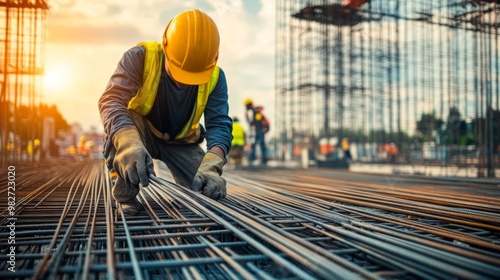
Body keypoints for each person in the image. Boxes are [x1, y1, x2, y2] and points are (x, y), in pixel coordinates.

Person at [98, 9, 232, 215]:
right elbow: (111, 101)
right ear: (165, 46)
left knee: (204, 192)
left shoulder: (216, 77)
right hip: (141, 136)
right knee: (125, 123)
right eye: (178, 71)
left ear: (214, 59)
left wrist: (213, 165)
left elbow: (219, 126)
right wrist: (127, 143)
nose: (183, 81)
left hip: (181, 142)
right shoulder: (140, 58)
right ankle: (126, 197)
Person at [244, 98, 269, 166]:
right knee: (255, 144)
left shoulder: (255, 111)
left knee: (261, 144)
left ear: (248, 105)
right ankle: (254, 159)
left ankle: (263, 160)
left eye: (246, 106)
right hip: (259, 129)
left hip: (260, 129)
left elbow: (258, 121)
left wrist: (257, 129)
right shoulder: (253, 111)